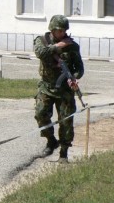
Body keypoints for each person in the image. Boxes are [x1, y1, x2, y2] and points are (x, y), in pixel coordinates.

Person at [33, 15, 84, 163]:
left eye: (64, 30)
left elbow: (79, 68)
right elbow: (40, 53)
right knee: (40, 114)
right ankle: (51, 140)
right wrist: (59, 46)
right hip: (46, 86)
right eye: (59, 30)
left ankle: (64, 153)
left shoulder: (73, 46)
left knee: (66, 121)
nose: (62, 33)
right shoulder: (41, 41)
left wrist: (73, 77)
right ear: (52, 30)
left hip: (64, 90)